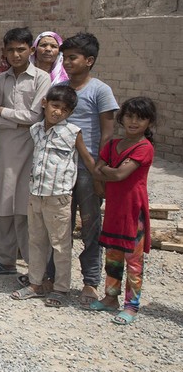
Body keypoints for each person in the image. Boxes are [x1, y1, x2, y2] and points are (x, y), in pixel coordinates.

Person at [46, 32, 119, 306]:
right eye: (64, 58)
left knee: (90, 226)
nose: (66, 62)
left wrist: (100, 168)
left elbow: (107, 133)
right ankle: (53, 277)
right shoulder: (61, 89)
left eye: (72, 57)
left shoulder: (100, 90)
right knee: (59, 225)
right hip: (60, 167)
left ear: (89, 60)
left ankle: (90, 281)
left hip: (89, 170)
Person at [10, 85, 96, 306]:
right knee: (36, 241)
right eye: (55, 106)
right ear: (45, 104)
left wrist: (100, 180)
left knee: (60, 244)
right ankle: (36, 283)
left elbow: (86, 158)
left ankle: (61, 288)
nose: (58, 112)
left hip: (58, 197)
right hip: (36, 194)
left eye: (65, 110)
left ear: (70, 113)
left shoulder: (72, 133)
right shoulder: (36, 129)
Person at [0, 27, 51, 276]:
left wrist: (5, 112)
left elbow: (35, 116)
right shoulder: (0, 80)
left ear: (31, 50)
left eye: (21, 49)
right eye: (10, 49)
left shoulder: (42, 78)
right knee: (2, 203)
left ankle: (34, 266)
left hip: (31, 150)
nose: (15, 54)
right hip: (5, 149)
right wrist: (16, 120)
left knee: (24, 206)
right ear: (4, 51)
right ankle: (5, 258)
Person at [90, 97, 157, 325]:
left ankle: (132, 305)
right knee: (113, 256)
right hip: (114, 209)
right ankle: (110, 297)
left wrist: (104, 171)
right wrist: (106, 171)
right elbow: (99, 172)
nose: (134, 122)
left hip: (133, 211)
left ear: (149, 122)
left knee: (133, 260)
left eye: (140, 118)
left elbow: (116, 174)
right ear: (122, 118)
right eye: (129, 116)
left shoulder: (144, 148)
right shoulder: (112, 145)